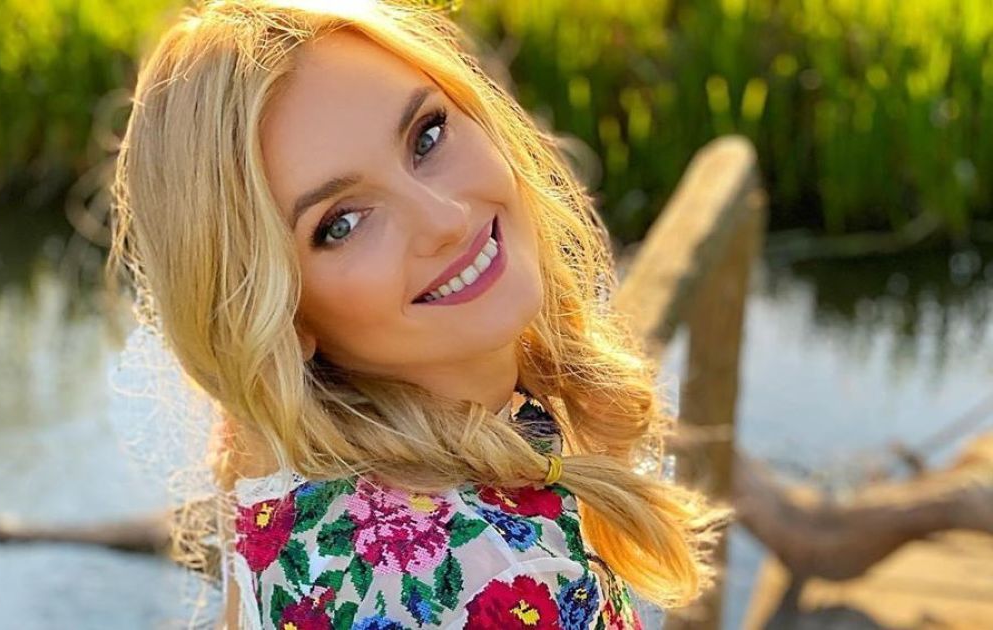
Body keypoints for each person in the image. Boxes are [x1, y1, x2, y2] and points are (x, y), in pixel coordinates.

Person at [108, 0, 731, 627]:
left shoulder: (271, 461)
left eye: (426, 137)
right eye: (342, 223)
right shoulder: (485, 578)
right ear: (277, 316)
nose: (445, 219)